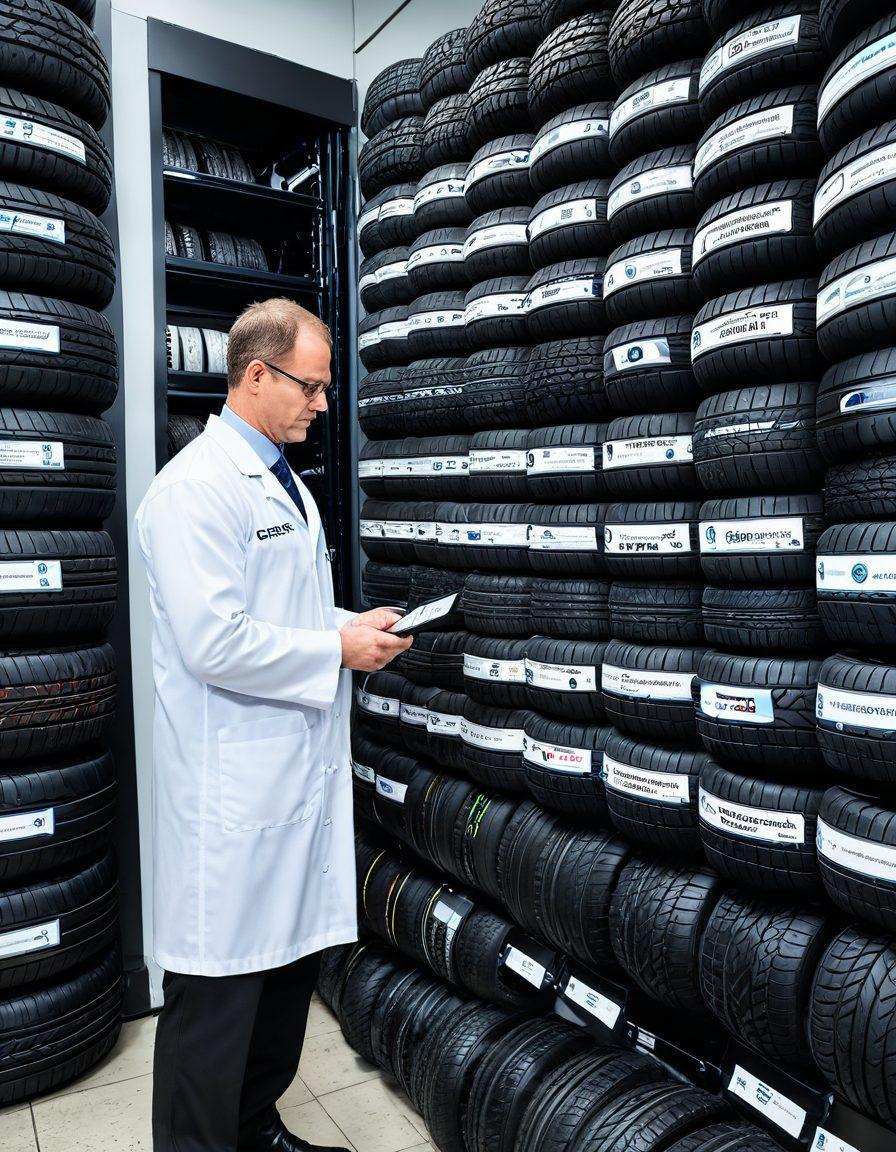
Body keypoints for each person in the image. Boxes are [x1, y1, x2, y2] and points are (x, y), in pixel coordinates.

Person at [135, 297, 412, 1152]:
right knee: (217, 1006)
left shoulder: (283, 480)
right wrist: (337, 650)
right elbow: (215, 641)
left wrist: (351, 624)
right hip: (229, 800)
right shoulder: (194, 489)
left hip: (288, 785)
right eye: (311, 387)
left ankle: (257, 1130)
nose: (322, 404)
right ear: (257, 375)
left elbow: (278, 608)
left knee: (283, 985)